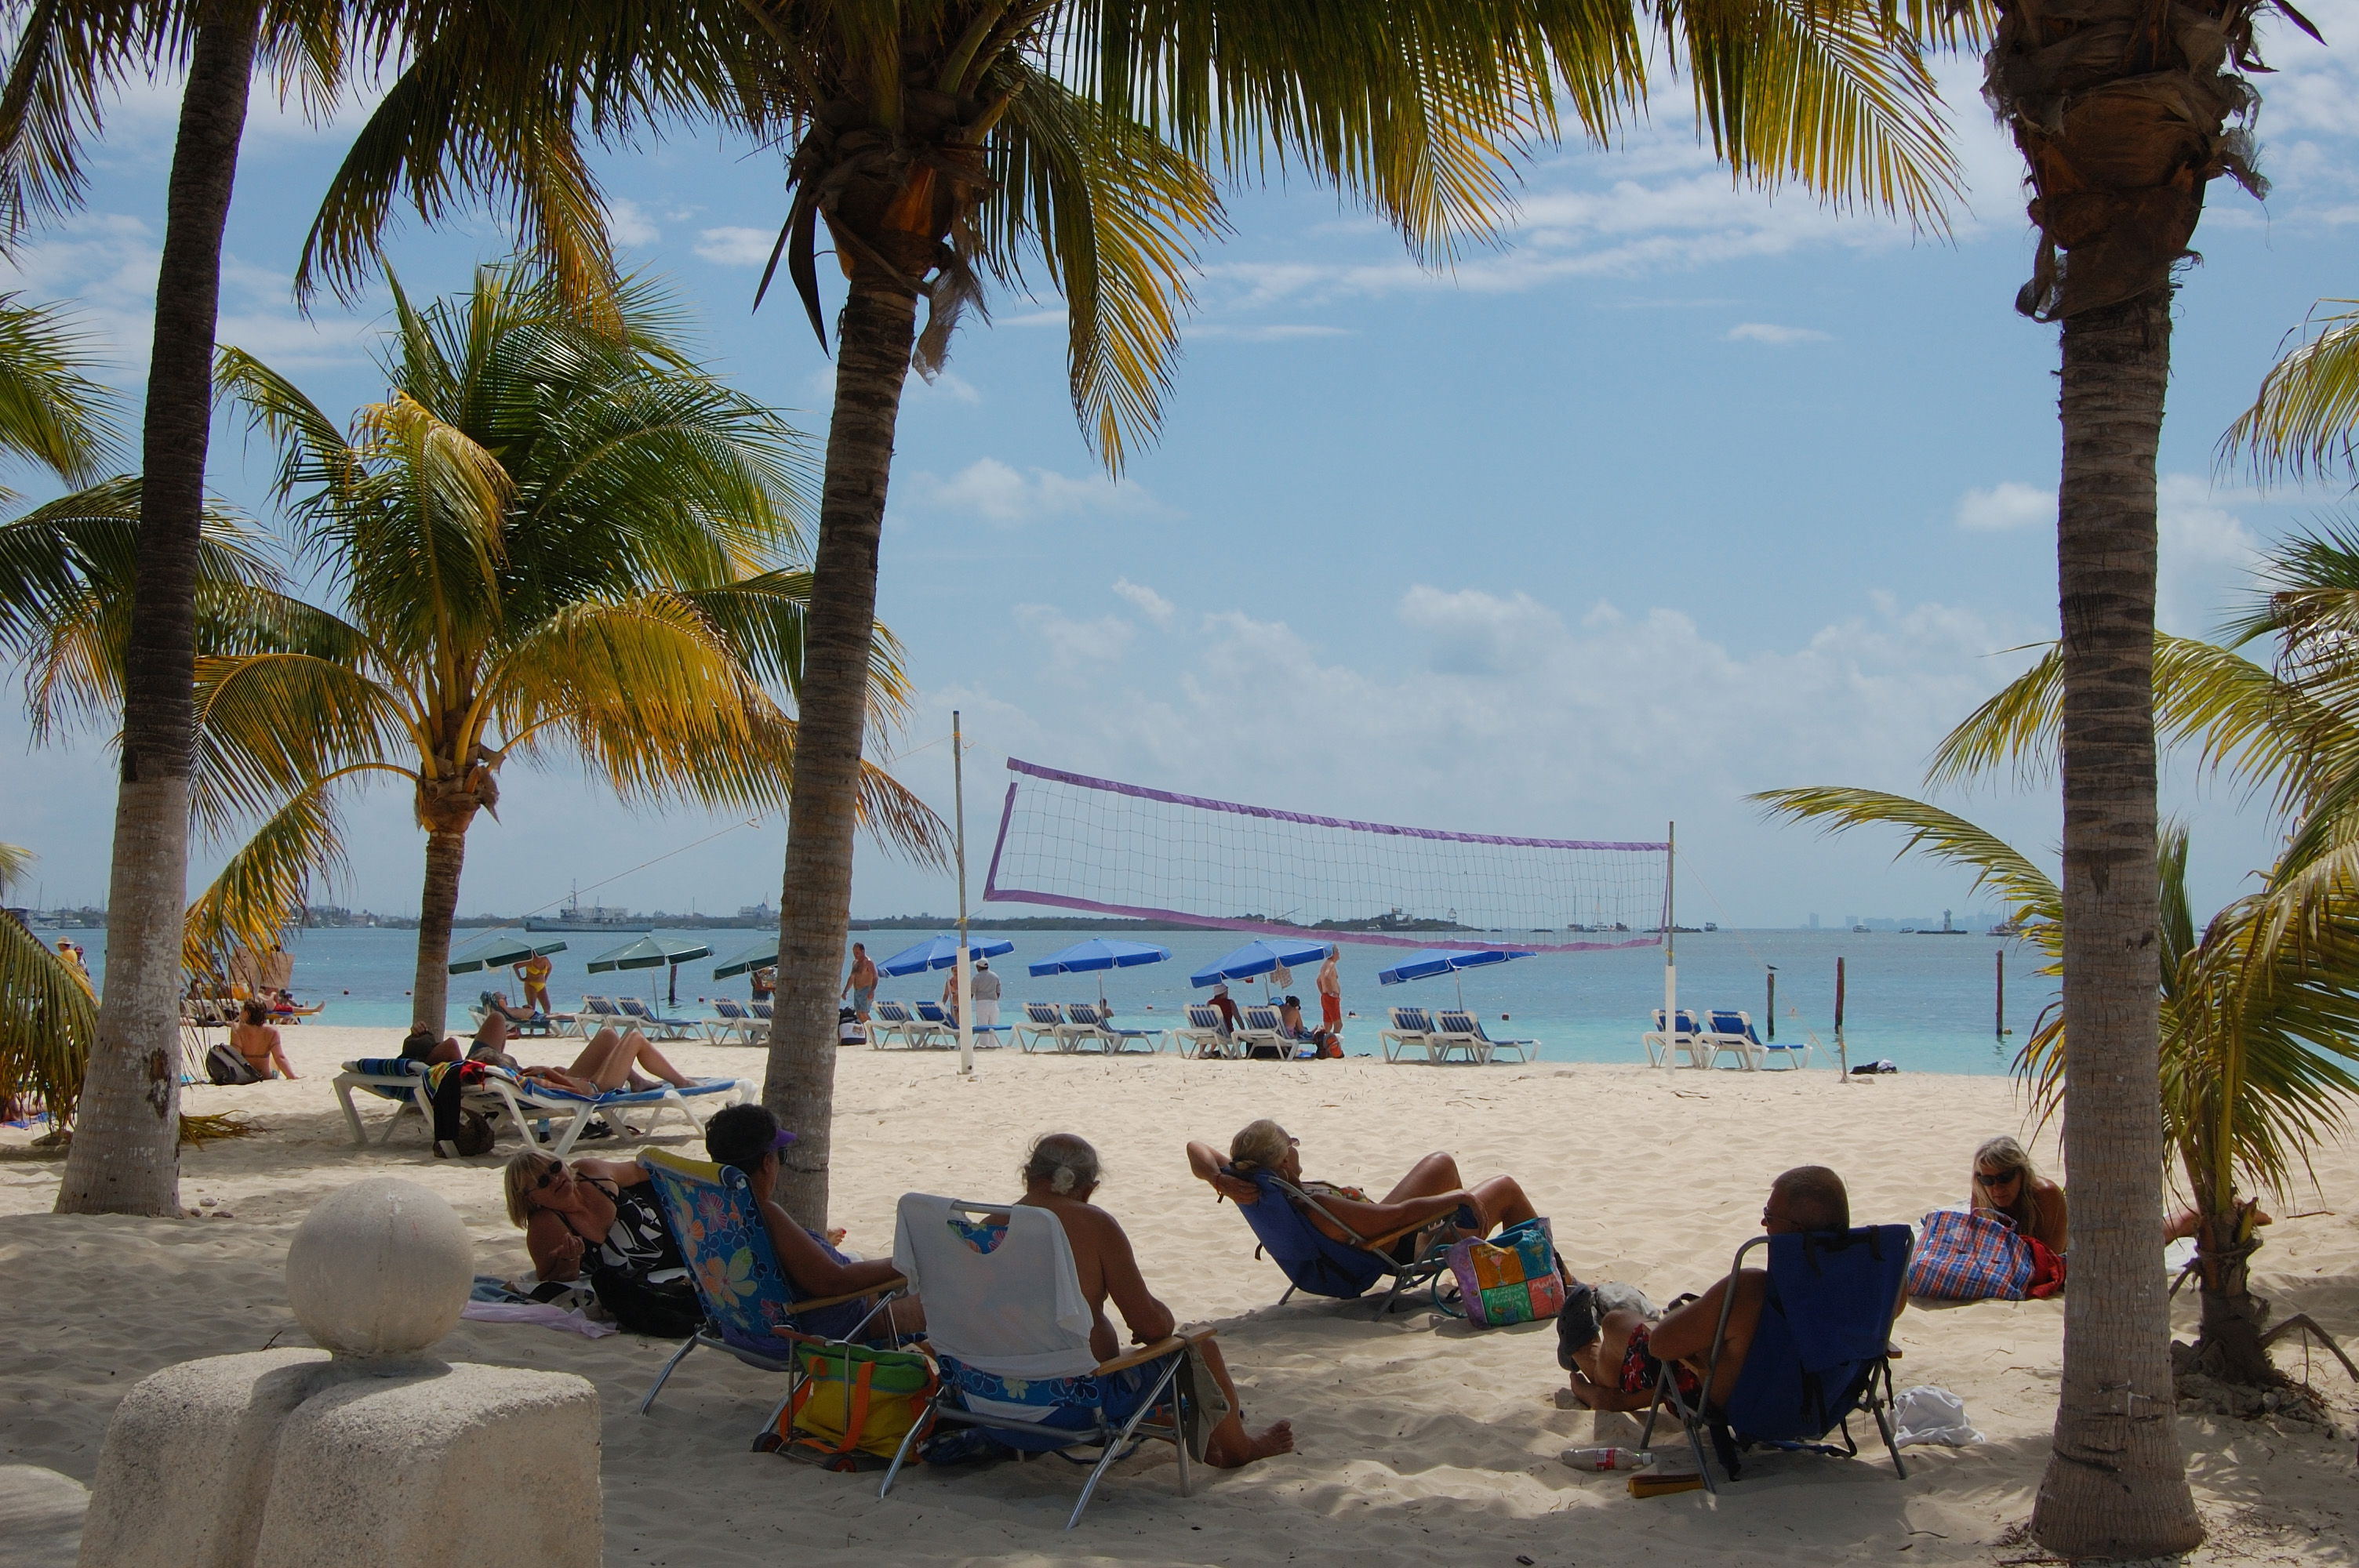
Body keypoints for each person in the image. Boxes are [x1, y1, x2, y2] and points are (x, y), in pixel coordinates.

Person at [1008, 1134, 1292, 1468]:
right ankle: (1239, 1449)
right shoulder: (1093, 1224)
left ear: (1028, 1174)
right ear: (1088, 1189)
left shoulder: (988, 1225)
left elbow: (933, 1324)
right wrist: (1160, 1322)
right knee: (1201, 1347)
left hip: (990, 1406)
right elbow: (1150, 1324)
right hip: (1074, 1407)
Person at [1561, 1166, 1875, 1413]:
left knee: (1618, 1324)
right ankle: (1613, 1397)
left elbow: (1660, 1346)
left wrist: (1686, 1321)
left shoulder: (1751, 1289)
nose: (1764, 1225)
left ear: (1796, 1232)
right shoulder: (1872, 1285)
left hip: (1740, 1405)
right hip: (1821, 1403)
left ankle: (1590, 1363)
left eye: (1769, 1216)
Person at [703, 1103, 919, 1339]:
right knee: (948, 1299)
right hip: (824, 1327)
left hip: (742, 1329)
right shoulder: (763, 1214)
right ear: (767, 1162)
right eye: (780, 1155)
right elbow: (835, 1282)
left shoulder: (714, 1211)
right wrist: (908, 1261)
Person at [1187, 1120, 1544, 1260]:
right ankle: (1558, 1277)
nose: (1297, 1149)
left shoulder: (1254, 1182)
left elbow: (1196, 1147)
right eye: (1292, 1144)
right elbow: (1397, 1217)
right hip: (1400, 1243)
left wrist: (1218, 1180)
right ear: (1282, 1161)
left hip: (1372, 1233)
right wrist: (1457, 1200)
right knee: (1505, 1188)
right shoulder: (1315, 1203)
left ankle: (1465, 1250)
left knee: (1442, 1163)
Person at [503, 1149, 700, 1336]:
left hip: (688, 1226)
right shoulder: (546, 1224)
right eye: (543, 1181)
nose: (556, 1179)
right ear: (531, 1198)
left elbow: (644, 1172)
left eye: (555, 1167)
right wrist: (570, 1259)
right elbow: (553, 1279)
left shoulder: (590, 1173)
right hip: (673, 1262)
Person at [1969, 1135, 2067, 1254]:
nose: (1997, 1188)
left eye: (2005, 1178)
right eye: (1988, 1180)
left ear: (2022, 1173)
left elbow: (2051, 1257)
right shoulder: (1982, 1193)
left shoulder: (2046, 1194)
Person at [229, 998, 297, 1080]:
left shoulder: (237, 1029)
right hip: (265, 1076)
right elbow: (280, 1058)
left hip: (247, 1075)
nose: (240, 1012)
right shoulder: (272, 1031)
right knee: (273, 1057)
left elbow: (236, 1057)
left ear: (247, 1013)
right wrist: (292, 1077)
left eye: (242, 1010)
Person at [1275, 996, 1339, 1058]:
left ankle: (1312, 1031)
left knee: (1300, 1029)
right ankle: (1312, 1032)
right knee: (1304, 1031)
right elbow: (1300, 1029)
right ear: (1296, 1006)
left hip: (1276, 1033)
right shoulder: (1295, 1011)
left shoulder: (1279, 1009)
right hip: (1288, 1036)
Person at [841, 943, 877, 1022]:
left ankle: (871, 1032)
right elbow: (852, 978)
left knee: (864, 1013)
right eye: (854, 953)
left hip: (866, 990)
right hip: (857, 991)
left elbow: (875, 977)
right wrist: (845, 991)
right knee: (858, 1014)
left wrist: (872, 991)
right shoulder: (855, 963)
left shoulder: (868, 963)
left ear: (863, 951)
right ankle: (865, 1032)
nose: (855, 955)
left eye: (857, 953)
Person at [514, 950, 554, 1015]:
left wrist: (545, 978)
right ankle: (530, 1021)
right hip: (531, 985)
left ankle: (546, 1022)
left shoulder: (545, 959)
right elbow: (515, 966)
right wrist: (520, 978)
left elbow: (550, 967)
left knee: (547, 1007)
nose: (537, 957)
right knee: (532, 1007)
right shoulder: (530, 961)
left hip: (542, 985)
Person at [1316, 946, 1343, 1040]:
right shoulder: (1331, 964)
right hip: (1331, 998)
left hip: (1325, 997)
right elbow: (1327, 976)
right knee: (1338, 1025)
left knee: (1327, 1026)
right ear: (1334, 954)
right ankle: (1335, 1047)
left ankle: (1325, 1047)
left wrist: (1324, 992)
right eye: (1338, 952)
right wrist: (1332, 992)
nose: (1339, 954)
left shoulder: (1325, 965)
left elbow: (1319, 981)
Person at [969, 958, 1001, 1030]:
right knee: (993, 1027)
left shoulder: (976, 977)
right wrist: (994, 999)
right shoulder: (995, 976)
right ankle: (993, 1042)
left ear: (979, 967)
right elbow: (998, 991)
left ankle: (984, 1042)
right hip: (993, 1003)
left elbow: (971, 993)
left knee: (983, 1028)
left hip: (981, 1004)